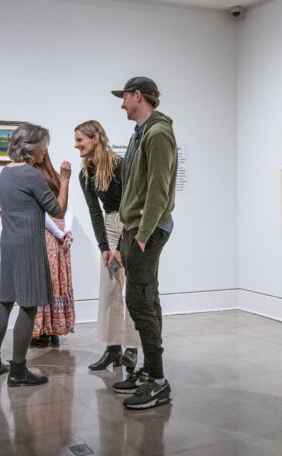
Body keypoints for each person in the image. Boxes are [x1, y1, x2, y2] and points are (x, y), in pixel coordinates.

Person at [0, 123, 71, 387]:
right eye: (43, 145)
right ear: (31, 147)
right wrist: (65, 180)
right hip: (29, 247)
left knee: (5, 302)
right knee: (29, 305)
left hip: (8, 244)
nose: (45, 151)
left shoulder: (5, 172)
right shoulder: (31, 175)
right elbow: (58, 211)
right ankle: (18, 370)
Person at [110, 77, 177, 410]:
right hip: (135, 228)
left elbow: (158, 190)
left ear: (138, 96)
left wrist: (142, 234)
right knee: (146, 299)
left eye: (124, 98)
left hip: (145, 232)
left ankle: (158, 381)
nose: (121, 104)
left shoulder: (158, 134)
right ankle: (151, 373)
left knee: (139, 302)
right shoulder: (141, 134)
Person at [75, 120, 139, 371]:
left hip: (130, 223)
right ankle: (113, 348)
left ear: (95, 138)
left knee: (133, 286)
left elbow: (132, 203)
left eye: (80, 140)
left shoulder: (120, 165)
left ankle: (132, 349)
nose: (76, 145)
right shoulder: (85, 174)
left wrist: (123, 243)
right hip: (110, 225)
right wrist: (105, 246)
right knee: (111, 286)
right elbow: (94, 211)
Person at [29, 148, 76, 348]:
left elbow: (42, 212)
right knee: (56, 282)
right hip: (60, 236)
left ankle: (43, 331)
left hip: (48, 236)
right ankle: (54, 329)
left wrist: (61, 233)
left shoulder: (36, 177)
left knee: (46, 283)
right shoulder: (56, 177)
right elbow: (67, 208)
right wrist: (67, 231)